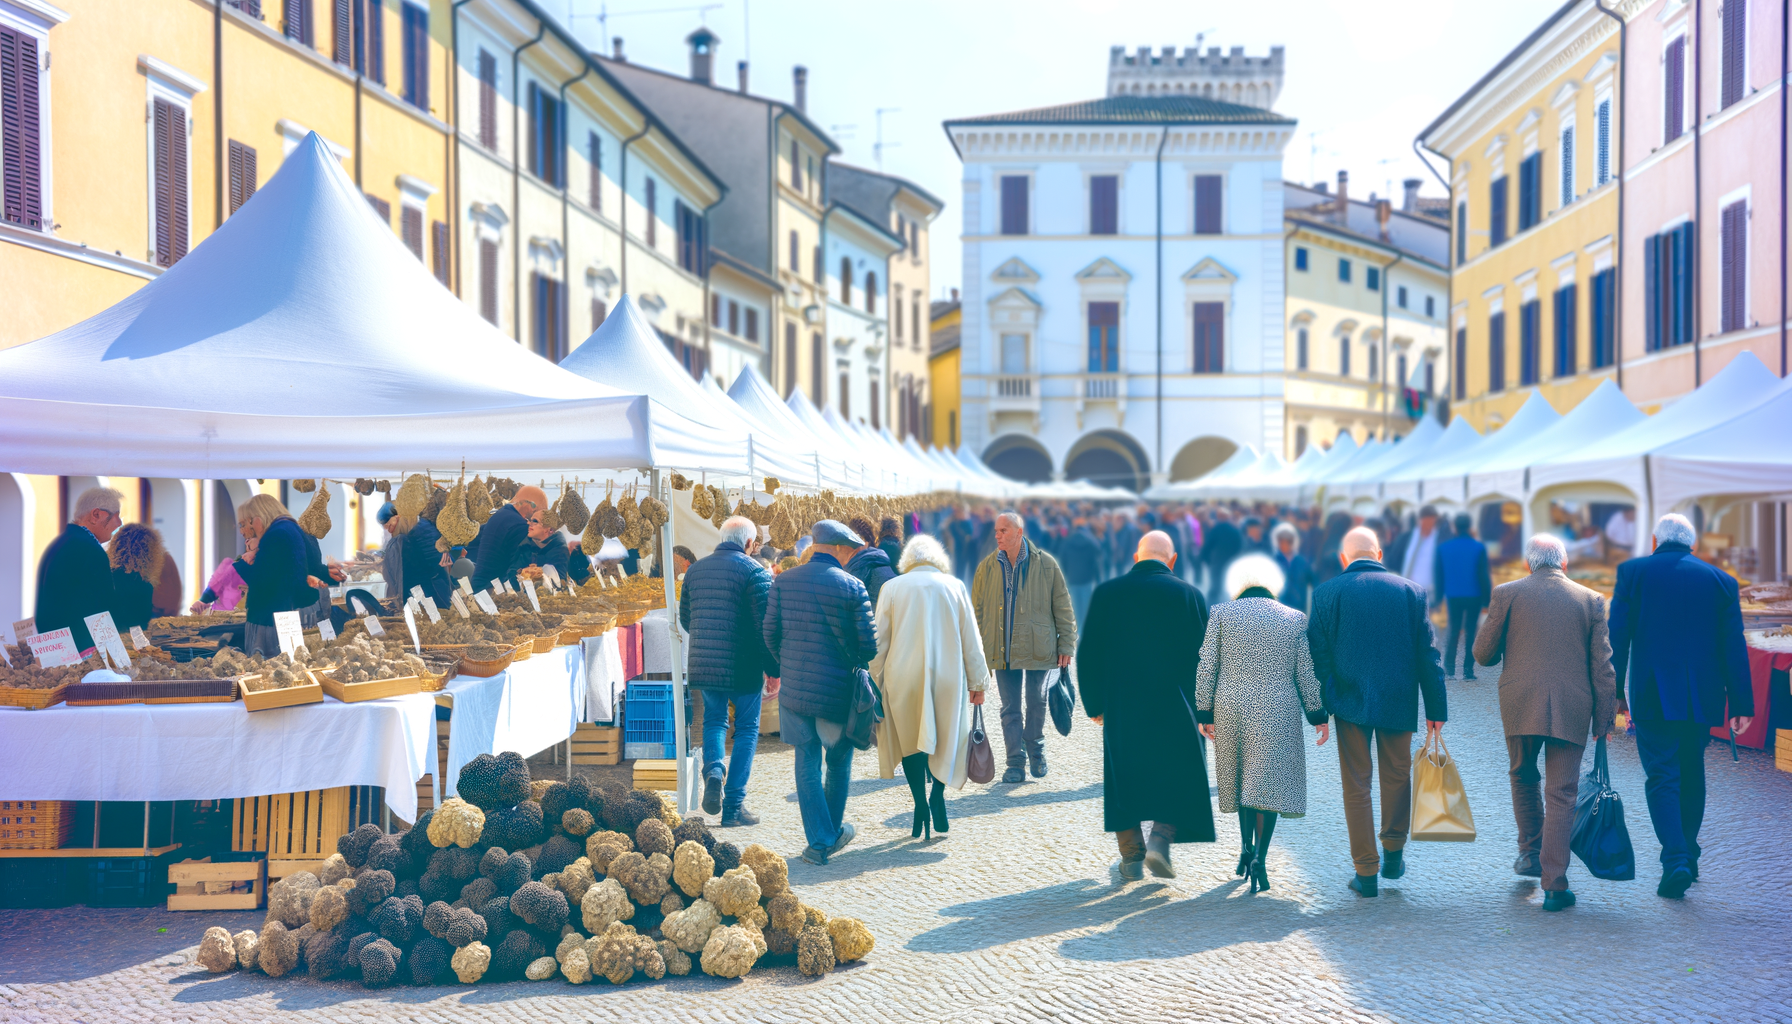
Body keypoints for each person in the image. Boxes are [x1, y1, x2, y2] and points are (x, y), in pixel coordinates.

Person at [1608, 513, 1753, 899]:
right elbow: (1733, 645)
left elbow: (1616, 639)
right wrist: (1742, 703)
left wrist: (1613, 694)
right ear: (1693, 544)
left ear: (1655, 540)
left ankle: (1676, 859)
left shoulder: (1634, 573)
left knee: (1661, 775)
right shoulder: (1722, 581)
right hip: (1703, 695)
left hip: (1653, 693)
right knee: (1691, 772)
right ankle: (1688, 851)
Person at [1474, 534, 1617, 911]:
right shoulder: (1591, 600)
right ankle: (1555, 885)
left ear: (1528, 564)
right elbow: (1603, 668)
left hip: (1520, 701)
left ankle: (1529, 854)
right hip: (1573, 704)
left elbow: (1482, 655)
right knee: (1563, 793)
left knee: (1522, 774)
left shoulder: (1508, 593)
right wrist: (1605, 720)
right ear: (1564, 563)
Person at [1307, 526, 1447, 897]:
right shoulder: (1411, 592)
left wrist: (1327, 697)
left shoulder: (1326, 593)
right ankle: (1394, 853)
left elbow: (1316, 654)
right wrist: (1436, 707)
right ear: (1379, 554)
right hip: (1399, 698)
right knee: (1397, 776)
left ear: (1344, 558)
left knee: (1357, 785)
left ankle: (1366, 872)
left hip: (1349, 701)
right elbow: (1428, 655)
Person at [1077, 530, 1215, 879]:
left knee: (1122, 777)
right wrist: (1206, 712)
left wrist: (1095, 704)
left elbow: (1088, 652)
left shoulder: (1107, 593)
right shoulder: (1189, 595)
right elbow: (1206, 660)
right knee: (1176, 773)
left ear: (1137, 558)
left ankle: (1131, 856)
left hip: (1122, 705)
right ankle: (1160, 840)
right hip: (1177, 707)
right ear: (1172, 560)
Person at [1196, 554, 1327, 893]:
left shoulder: (1221, 614)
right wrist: (1317, 714)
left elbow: (1207, 665)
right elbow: (1305, 671)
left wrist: (1203, 712)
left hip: (1231, 706)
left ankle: (1244, 847)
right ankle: (1261, 858)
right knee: (1266, 786)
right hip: (1277, 709)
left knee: (1241, 779)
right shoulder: (1294, 618)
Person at [761, 520, 877, 865]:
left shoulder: (784, 581)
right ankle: (828, 836)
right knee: (838, 762)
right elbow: (868, 647)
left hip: (795, 689)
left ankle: (820, 840)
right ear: (840, 548)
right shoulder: (852, 586)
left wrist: (788, 662)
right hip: (836, 691)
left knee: (806, 761)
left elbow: (769, 633)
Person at [869, 534, 990, 841]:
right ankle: (937, 793)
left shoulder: (892, 588)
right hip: (948, 676)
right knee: (946, 737)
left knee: (911, 740)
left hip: (902, 676)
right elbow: (971, 640)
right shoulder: (955, 586)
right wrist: (979, 682)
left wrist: (873, 679)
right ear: (939, 559)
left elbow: (879, 641)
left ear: (907, 560)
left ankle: (919, 803)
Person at [680, 516, 777, 827]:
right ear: (749, 543)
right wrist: (773, 668)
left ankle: (714, 773)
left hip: (704, 661)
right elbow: (765, 626)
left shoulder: (694, 570)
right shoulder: (754, 571)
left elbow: (686, 619)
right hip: (743, 663)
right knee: (747, 729)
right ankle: (734, 806)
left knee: (714, 720)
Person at [970, 511, 1076, 783]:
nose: (998, 535)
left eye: (1004, 530)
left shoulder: (1047, 564)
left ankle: (1036, 751)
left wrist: (1066, 644)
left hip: (1039, 648)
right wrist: (977, 652)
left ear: (1019, 532)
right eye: (996, 531)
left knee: (1036, 702)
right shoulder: (986, 567)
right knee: (1009, 707)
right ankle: (1015, 762)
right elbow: (977, 612)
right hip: (1002, 649)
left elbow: (1063, 607)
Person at [34, 486, 123, 654]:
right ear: (96, 515)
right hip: (80, 648)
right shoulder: (89, 549)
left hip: (57, 646)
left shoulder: (61, 541)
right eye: (116, 515)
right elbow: (102, 608)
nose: (119, 523)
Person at [232, 494, 312, 657]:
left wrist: (239, 564)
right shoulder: (290, 528)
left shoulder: (276, 534)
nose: (247, 528)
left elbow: (261, 580)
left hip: (269, 616)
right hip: (285, 610)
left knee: (267, 667)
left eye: (248, 522)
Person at [1437, 513, 1492, 680]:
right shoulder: (1478, 547)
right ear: (1470, 526)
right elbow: (1483, 575)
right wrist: (1486, 600)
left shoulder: (1443, 548)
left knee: (1453, 630)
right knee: (1470, 631)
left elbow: (1439, 575)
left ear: (1454, 527)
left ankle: (1449, 669)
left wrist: (1438, 598)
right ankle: (1468, 670)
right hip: (1474, 594)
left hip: (1453, 594)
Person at [471, 485, 546, 592]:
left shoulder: (500, 515)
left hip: (480, 586)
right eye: (538, 512)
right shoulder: (519, 526)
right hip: (493, 591)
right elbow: (521, 568)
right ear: (529, 505)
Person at [108, 523, 181, 631]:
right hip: (154, 620)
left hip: (119, 628)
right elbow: (173, 596)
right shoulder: (161, 562)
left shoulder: (112, 569)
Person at [381, 503, 451, 608]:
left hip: (430, 594)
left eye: (389, 524)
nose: (388, 529)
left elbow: (417, 573)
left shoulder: (416, 533)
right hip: (436, 589)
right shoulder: (419, 529)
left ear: (399, 517)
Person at [1391, 506, 1444, 602]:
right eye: (1427, 521)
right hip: (1407, 590)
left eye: (1432, 521)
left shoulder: (1439, 540)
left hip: (1430, 593)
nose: (1429, 525)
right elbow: (1394, 560)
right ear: (1420, 520)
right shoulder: (1406, 538)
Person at [1057, 517, 1102, 629]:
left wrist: (1068, 573)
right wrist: (1097, 579)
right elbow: (1096, 560)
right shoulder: (1090, 541)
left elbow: (1062, 559)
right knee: (1087, 606)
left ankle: (1078, 631)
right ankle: (1086, 630)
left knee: (1076, 608)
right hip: (1087, 578)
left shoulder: (1068, 541)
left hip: (1073, 578)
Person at [508, 513, 571, 591]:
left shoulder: (560, 550)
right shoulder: (524, 546)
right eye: (529, 520)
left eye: (535, 521)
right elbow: (511, 573)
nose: (528, 523)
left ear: (549, 529)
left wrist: (536, 574)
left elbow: (559, 582)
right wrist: (520, 573)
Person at [844, 516, 898, 606]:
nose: (853, 544)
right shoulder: (877, 561)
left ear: (867, 541)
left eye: (858, 538)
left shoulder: (864, 565)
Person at [1270, 522, 1315, 611]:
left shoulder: (1301, 561)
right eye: (1281, 542)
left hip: (1298, 606)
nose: (1284, 545)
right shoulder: (1273, 561)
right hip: (1279, 606)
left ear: (1291, 543)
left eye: (1287, 542)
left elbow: (1313, 580)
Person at [1202, 510, 1243, 604]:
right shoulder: (1235, 530)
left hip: (1217, 563)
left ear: (1219, 517)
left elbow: (1207, 546)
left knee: (1215, 588)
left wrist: (1207, 560)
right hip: (1231, 564)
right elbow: (1240, 548)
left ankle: (1210, 611)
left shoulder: (1216, 529)